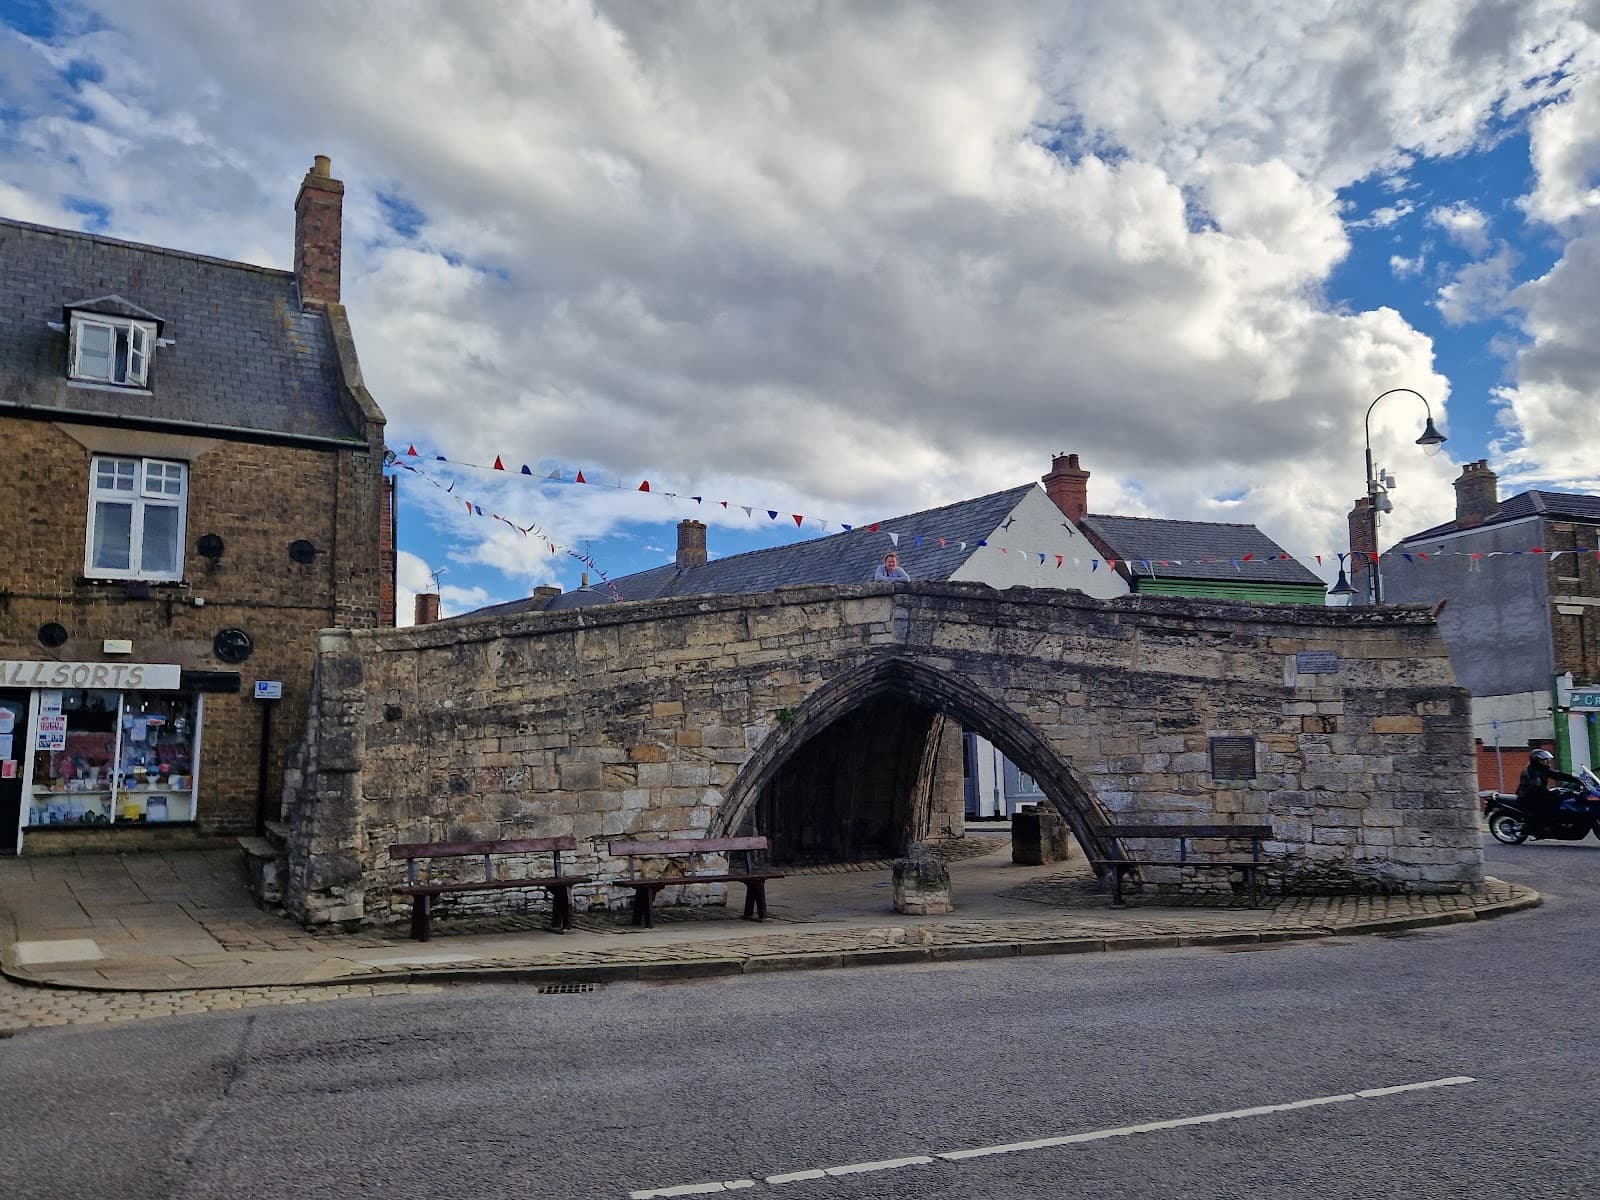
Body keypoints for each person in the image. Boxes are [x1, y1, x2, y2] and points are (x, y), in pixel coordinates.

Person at [1516, 748, 1580, 823]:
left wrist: (1577, 779)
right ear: (1536, 760)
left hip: (1537, 794)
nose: (1545, 762)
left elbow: (1557, 775)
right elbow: (1536, 785)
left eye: (1546, 760)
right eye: (1543, 760)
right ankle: (1541, 826)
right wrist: (1551, 792)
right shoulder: (1530, 771)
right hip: (1528, 797)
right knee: (1549, 807)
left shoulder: (1542, 769)